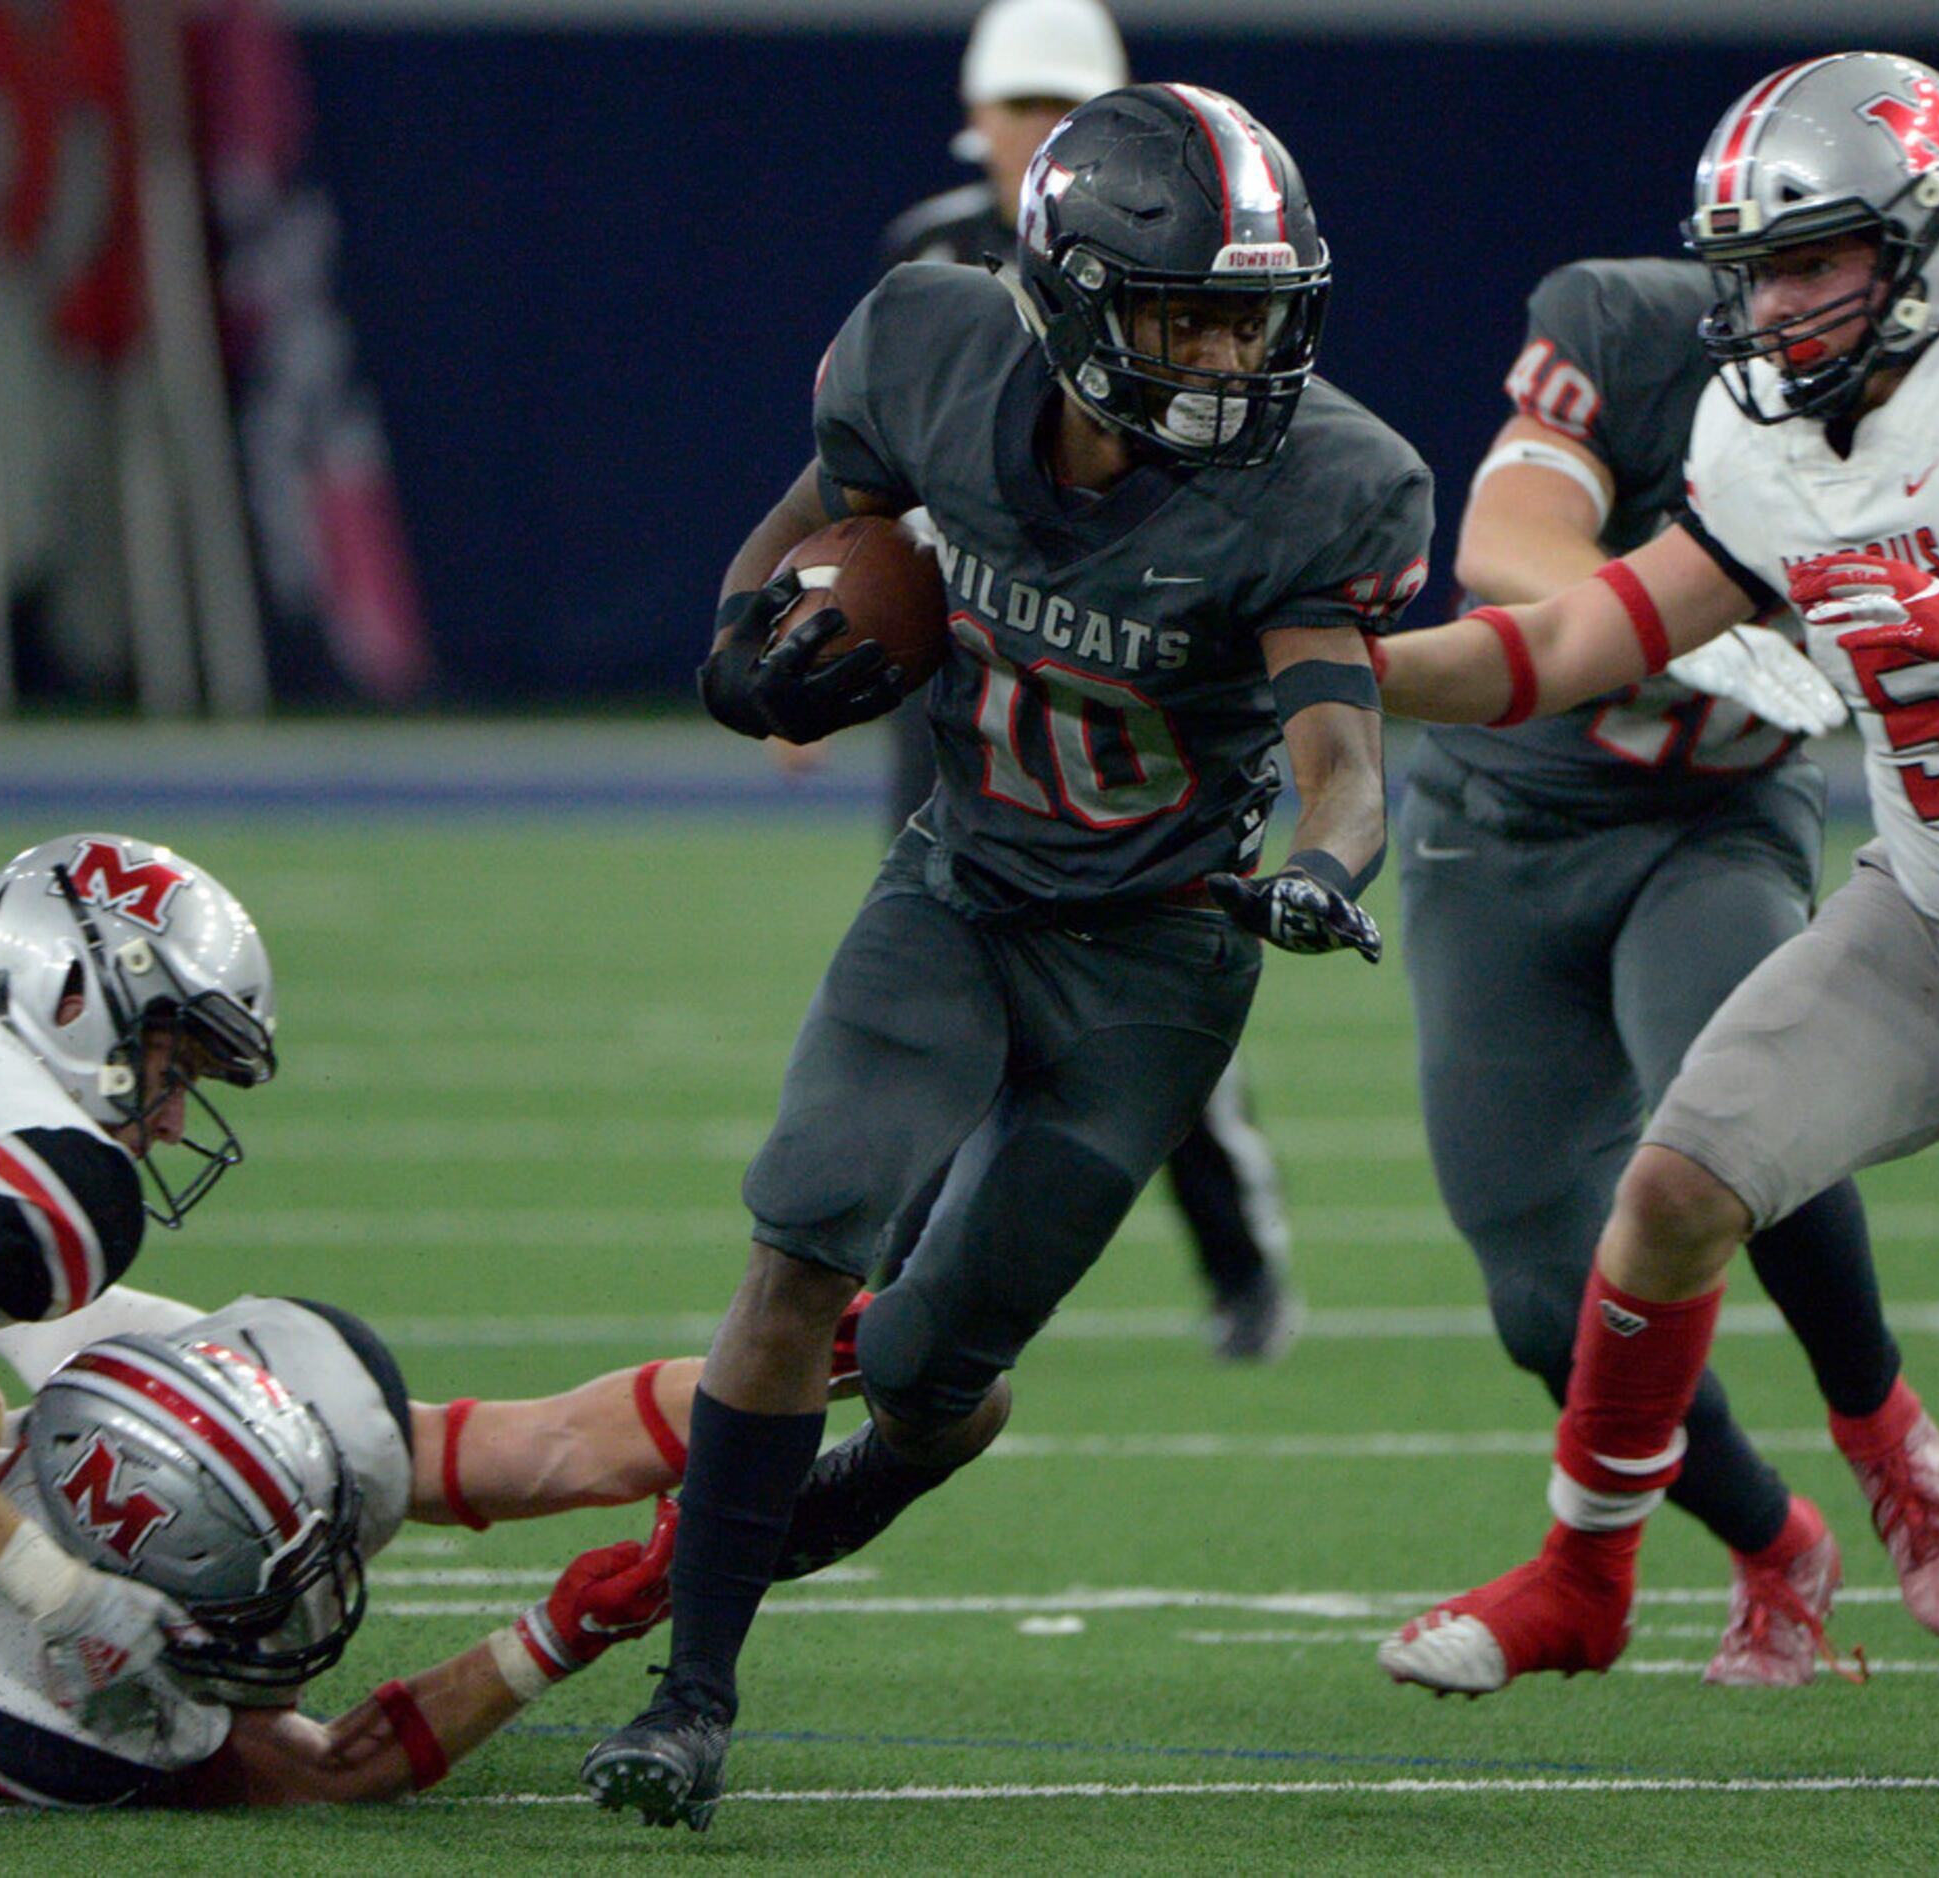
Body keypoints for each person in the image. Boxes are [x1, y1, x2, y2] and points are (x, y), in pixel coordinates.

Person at [582, 82, 1431, 1831]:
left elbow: (1342, 756)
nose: (1220, 351)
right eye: (1183, 311)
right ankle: (691, 1695)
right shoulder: (926, 355)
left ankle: (886, 1468)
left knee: (922, 1375)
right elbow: (800, 531)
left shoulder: (1312, 482)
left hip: (1157, 962)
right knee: (800, 1245)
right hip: (959, 889)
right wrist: (741, 653)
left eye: (1247, 314)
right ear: (1063, 295)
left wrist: (1327, 865)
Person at [1368, 52, 1939, 1786]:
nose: (1768, 303)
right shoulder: (1754, 433)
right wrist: (1349, 674)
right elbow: (1579, 632)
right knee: (1668, 1186)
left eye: (1811, 259)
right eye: (1753, 266)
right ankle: (1585, 1571)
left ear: (1932, 235)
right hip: (1933, 919)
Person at [831, 0, 1305, 1360]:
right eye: (1015, 111)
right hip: (961, 662)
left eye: (1057, 110)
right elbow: (863, 454)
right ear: (975, 123)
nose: (1032, 135)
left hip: (1120, 666)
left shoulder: (1180, 251)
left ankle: (1237, 1250)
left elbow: (1240, 445)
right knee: (930, 952)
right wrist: (815, 612)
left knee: (1140, 962)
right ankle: (896, 1278)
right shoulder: (925, 253)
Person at [0, 1299, 684, 1805]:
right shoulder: (35, 1698)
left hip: (4, 1465)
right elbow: (327, 1769)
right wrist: (556, 1636)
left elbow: (551, 1442)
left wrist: (763, 1383)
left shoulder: (125, 1395)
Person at [0, 833, 279, 1718]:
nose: (170, 1120)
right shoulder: (58, 1174)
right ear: (75, 997)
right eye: (173, 1067)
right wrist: (58, 1588)